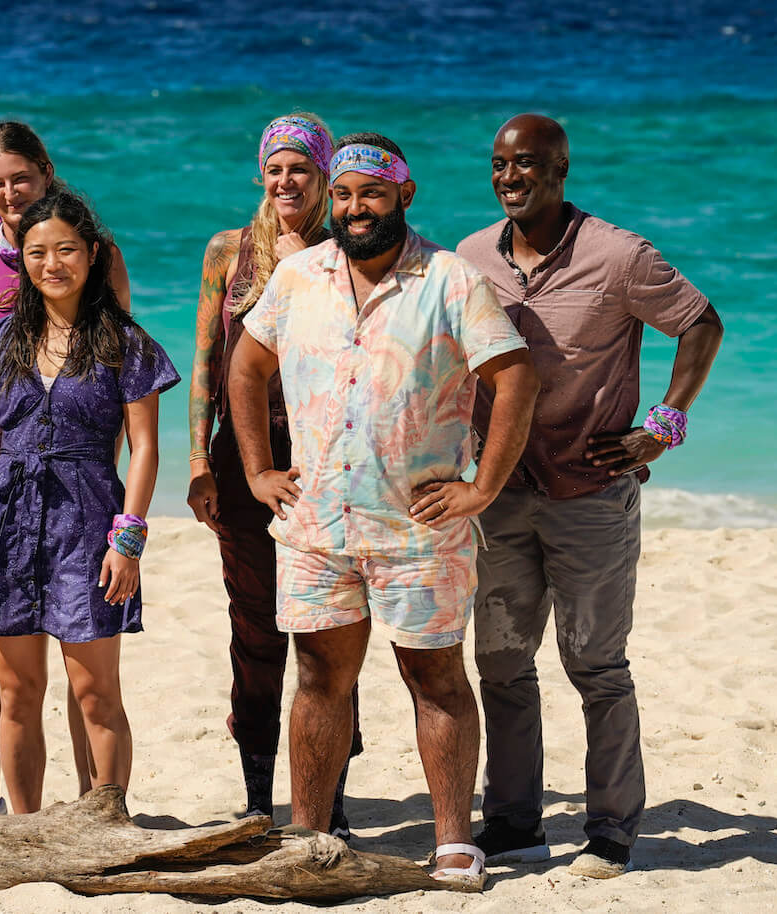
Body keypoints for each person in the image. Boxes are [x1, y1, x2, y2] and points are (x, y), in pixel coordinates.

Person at [229, 133, 539, 887]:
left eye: (371, 192)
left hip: (418, 528)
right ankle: (308, 837)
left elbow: (516, 379)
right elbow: (245, 365)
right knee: (318, 679)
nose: (354, 207)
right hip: (315, 526)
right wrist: (258, 470)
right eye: (342, 194)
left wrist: (483, 487)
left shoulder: (450, 280)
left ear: (404, 193)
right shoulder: (300, 275)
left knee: (434, 678)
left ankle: (453, 842)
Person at [457, 113, 724, 878]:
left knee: (596, 666)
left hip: (592, 492)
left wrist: (662, 427)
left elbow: (701, 324)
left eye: (529, 165)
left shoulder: (619, 255)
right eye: (501, 165)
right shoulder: (472, 257)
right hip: (500, 494)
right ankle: (511, 823)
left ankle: (611, 829)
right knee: (502, 664)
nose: (511, 177)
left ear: (561, 170)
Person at [0, 189, 178, 814]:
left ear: (94, 254)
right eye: (37, 253)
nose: (52, 264)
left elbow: (144, 448)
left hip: (88, 524)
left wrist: (127, 540)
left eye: (66, 250)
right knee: (18, 690)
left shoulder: (125, 345)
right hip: (4, 521)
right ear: (21, 260)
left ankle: (104, 820)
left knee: (95, 691)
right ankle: (28, 832)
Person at [0, 121, 132, 814]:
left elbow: (109, 385)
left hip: (77, 487)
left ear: (47, 172)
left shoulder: (95, 254)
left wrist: (101, 498)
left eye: (22, 177)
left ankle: (93, 806)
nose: (11, 192)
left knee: (87, 667)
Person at [186, 113, 361, 833]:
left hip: (326, 462)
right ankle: (260, 796)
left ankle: (332, 797)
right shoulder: (229, 253)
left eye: (301, 170)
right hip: (241, 462)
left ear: (323, 178)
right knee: (254, 628)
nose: (286, 181)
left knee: (332, 628)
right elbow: (205, 361)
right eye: (275, 169)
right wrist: (198, 458)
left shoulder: (350, 250)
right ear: (262, 175)